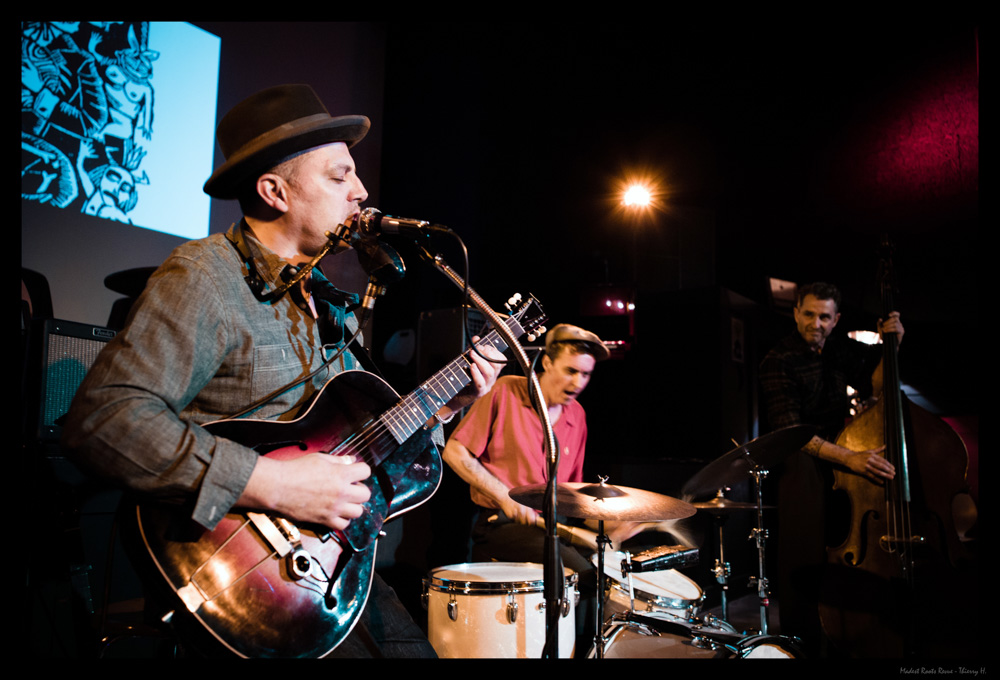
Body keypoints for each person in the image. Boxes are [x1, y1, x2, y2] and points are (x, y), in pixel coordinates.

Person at [61, 84, 502, 658]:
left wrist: (445, 405)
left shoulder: (330, 304)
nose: (362, 192)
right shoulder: (206, 275)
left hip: (330, 571)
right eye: (339, 176)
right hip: (243, 571)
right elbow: (104, 420)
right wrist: (276, 484)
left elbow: (362, 444)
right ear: (275, 191)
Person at [442, 323, 642, 654]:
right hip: (499, 524)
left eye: (586, 374)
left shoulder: (577, 415)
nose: (578, 383)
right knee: (580, 573)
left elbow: (571, 495)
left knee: (605, 571)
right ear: (547, 362)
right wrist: (504, 496)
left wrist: (609, 524)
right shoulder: (505, 390)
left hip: (550, 526)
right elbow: (455, 451)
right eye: (571, 371)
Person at [759, 281, 903, 655]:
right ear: (796, 313)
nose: (816, 323)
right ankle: (801, 645)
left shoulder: (838, 349)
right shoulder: (778, 359)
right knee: (803, 556)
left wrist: (892, 345)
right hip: (800, 462)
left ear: (836, 319)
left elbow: (876, 387)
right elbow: (792, 433)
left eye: (824, 317)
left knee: (840, 549)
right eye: (809, 314)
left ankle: (841, 635)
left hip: (839, 455)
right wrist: (851, 458)